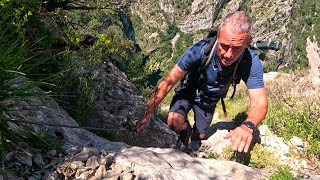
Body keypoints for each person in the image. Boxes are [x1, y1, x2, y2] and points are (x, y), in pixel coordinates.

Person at [136, 11, 268, 153]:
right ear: (218, 36)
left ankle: (192, 134)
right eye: (224, 46)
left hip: (208, 100)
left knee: (200, 136)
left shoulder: (250, 61)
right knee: (173, 122)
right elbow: (169, 81)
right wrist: (148, 113)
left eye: (237, 48)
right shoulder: (201, 49)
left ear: (248, 42)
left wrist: (247, 126)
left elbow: (259, 102)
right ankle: (185, 128)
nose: (228, 54)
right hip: (188, 90)